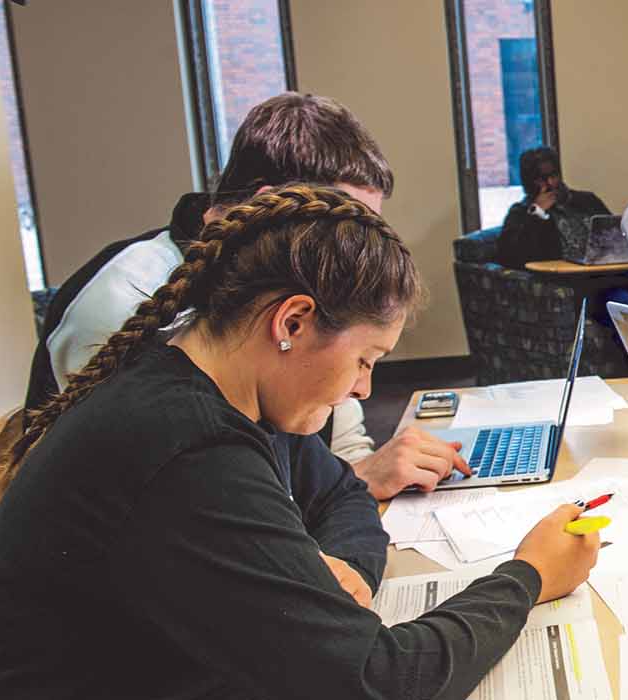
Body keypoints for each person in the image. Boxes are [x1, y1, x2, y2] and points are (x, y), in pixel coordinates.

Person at [0, 186, 599, 698]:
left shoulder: (235, 392)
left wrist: (338, 574)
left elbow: (345, 494)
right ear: (292, 323)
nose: (364, 388)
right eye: (364, 359)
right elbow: (379, 680)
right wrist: (528, 575)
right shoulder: (190, 447)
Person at [25, 92, 471, 498]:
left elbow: (336, 442)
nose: (361, 251)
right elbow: (177, 500)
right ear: (273, 205)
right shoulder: (124, 299)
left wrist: (362, 479)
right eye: (345, 227)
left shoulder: (302, 307)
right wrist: (357, 481)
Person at [496, 146, 614, 270]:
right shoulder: (520, 213)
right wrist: (538, 212)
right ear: (529, 183)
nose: (551, 183)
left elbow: (615, 233)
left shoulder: (587, 200)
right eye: (542, 179)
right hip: (568, 278)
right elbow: (507, 258)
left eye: (554, 175)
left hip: (606, 267)